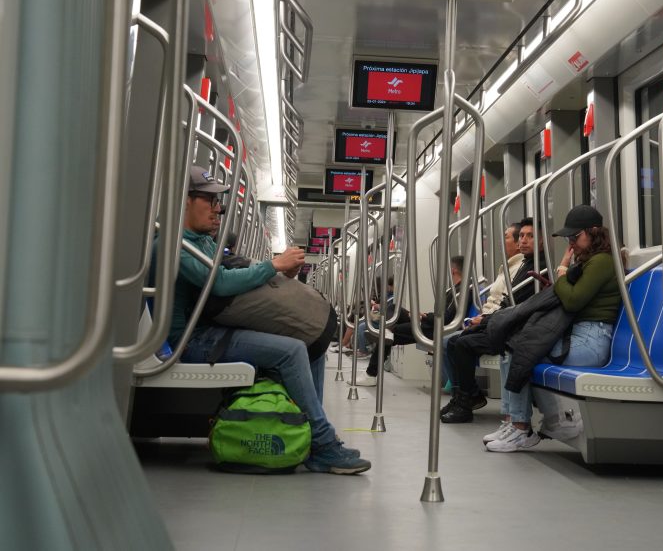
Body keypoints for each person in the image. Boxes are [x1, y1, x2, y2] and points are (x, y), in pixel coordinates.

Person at [172, 166, 371, 475]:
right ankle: (322, 443)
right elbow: (220, 283)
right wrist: (274, 265)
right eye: (209, 200)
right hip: (192, 341)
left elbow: (231, 272)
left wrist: (278, 270)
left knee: (311, 340)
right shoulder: (175, 247)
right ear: (185, 200)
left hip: (215, 327)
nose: (217, 209)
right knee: (291, 350)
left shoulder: (202, 242)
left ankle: (313, 439)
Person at [484, 205, 621, 452]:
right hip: (579, 336)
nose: (571, 243)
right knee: (513, 348)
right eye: (569, 239)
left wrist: (562, 271)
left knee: (522, 352)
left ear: (593, 232)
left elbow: (573, 300)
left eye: (575, 236)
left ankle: (520, 427)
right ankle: (513, 421)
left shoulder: (601, 261)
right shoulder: (589, 261)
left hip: (592, 342)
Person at [439, 219, 542, 421]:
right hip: (497, 321)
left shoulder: (530, 268)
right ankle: (464, 396)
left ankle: (468, 399)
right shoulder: (514, 267)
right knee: (453, 342)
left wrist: (485, 320)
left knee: (460, 343)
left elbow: (512, 305)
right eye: (521, 236)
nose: (523, 240)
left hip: (507, 326)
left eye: (529, 236)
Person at [354, 256, 463, 386]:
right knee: (394, 308)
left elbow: (447, 319)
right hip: (432, 322)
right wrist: (424, 315)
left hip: (437, 328)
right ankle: (387, 329)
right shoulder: (453, 289)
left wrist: (424, 317)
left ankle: (371, 374)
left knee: (389, 334)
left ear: (453, 270)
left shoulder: (461, 291)